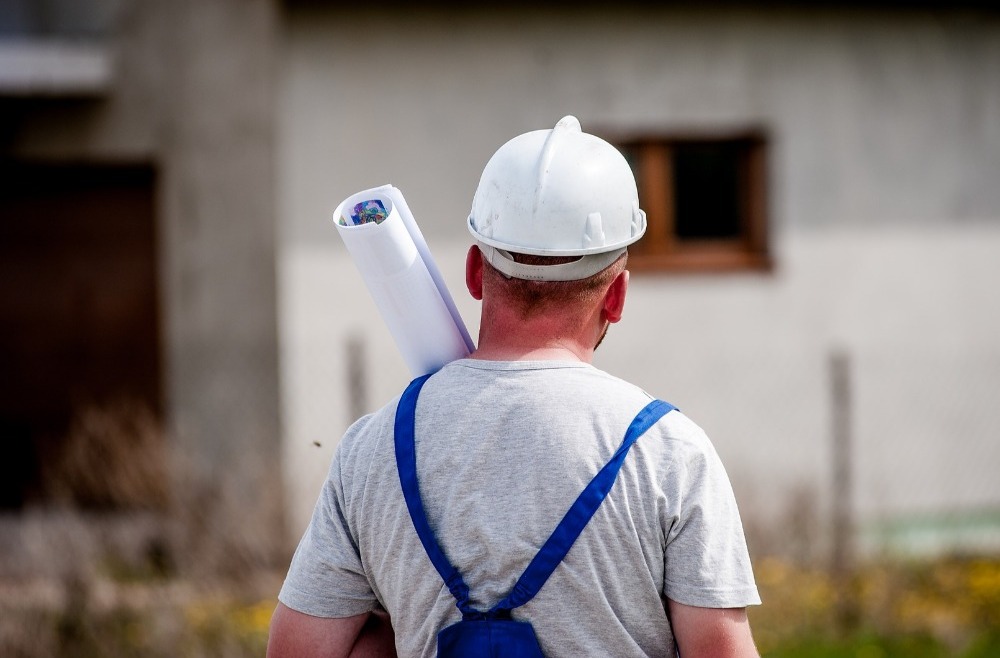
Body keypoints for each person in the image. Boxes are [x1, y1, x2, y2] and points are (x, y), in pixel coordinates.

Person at [268, 116, 761, 658]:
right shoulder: (670, 452)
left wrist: (391, 632)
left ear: (474, 272)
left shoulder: (372, 449)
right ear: (617, 296)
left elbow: (296, 652)